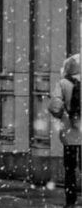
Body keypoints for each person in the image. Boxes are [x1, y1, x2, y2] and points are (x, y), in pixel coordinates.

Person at [50, 53, 81, 207]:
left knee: (70, 169)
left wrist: (63, 115)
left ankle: (70, 201)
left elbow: (55, 106)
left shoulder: (63, 83)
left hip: (69, 134)